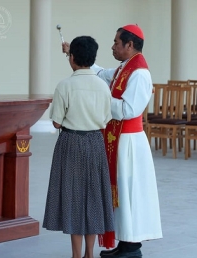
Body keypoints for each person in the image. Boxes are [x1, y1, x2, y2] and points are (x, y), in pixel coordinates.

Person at [63, 24, 163, 258]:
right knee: (119, 193)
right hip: (116, 139)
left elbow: (129, 109)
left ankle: (132, 247)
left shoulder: (140, 73)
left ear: (130, 45)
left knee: (128, 194)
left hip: (129, 142)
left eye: (117, 42)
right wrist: (73, 54)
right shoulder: (124, 68)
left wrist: (101, 97)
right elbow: (98, 73)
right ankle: (124, 242)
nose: (113, 46)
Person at [43, 36, 114, 258]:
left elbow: (56, 122)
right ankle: (89, 254)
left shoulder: (65, 85)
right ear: (93, 58)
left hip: (71, 142)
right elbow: (106, 120)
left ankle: (76, 255)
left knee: (73, 197)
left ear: (71, 58)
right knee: (92, 196)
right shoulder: (103, 86)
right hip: (95, 142)